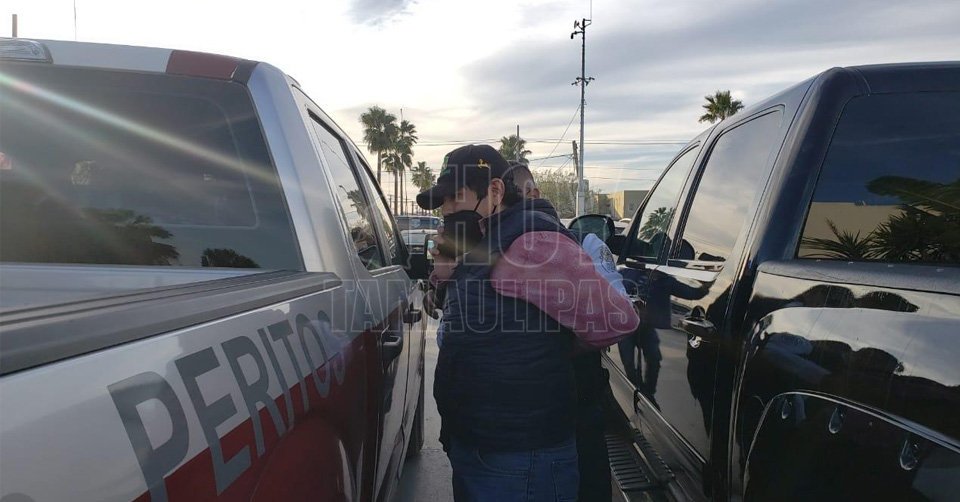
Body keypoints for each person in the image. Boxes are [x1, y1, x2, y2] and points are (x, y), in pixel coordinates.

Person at [417, 145, 640, 502]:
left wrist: (556, 345)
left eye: (455, 197)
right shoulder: (488, 240)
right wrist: (446, 276)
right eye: (441, 200)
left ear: (495, 191)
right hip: (480, 443)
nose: (445, 209)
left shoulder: (535, 243)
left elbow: (617, 319)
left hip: (522, 457)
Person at [503, 161, 626, 502]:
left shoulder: (585, 244)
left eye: (514, 199)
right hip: (514, 422)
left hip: (577, 406)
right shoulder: (490, 252)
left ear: (535, 195)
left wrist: (556, 350)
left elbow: (616, 316)